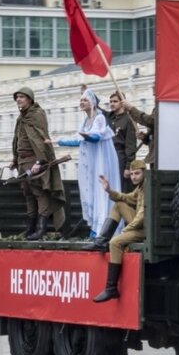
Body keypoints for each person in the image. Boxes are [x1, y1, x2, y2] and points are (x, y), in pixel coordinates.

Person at [51, 86, 119, 238]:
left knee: (101, 191)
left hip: (101, 161)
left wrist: (86, 136)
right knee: (91, 191)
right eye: (81, 100)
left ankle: (104, 228)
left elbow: (95, 138)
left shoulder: (100, 118)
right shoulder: (84, 121)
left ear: (92, 102)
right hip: (90, 162)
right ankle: (95, 226)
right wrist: (58, 142)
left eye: (85, 100)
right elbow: (78, 141)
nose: (82, 102)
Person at [11, 86, 66, 240]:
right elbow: (18, 139)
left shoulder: (37, 115)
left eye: (22, 97)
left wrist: (39, 161)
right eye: (17, 97)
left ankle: (41, 229)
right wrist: (15, 159)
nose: (18, 100)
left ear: (29, 99)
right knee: (28, 194)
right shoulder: (21, 117)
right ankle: (30, 228)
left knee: (39, 193)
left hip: (33, 160)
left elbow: (41, 140)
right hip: (23, 161)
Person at [89, 161, 148, 302]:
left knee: (115, 242)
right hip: (139, 226)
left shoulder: (147, 187)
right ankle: (102, 240)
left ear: (145, 172)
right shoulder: (140, 187)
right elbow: (127, 199)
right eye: (132, 174)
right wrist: (109, 190)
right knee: (119, 205)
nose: (133, 177)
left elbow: (142, 216)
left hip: (144, 230)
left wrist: (127, 229)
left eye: (137, 173)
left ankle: (111, 288)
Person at [106, 91, 138, 190]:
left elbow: (131, 145)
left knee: (121, 188)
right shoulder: (109, 117)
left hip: (120, 157)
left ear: (122, 103)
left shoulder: (129, 120)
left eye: (115, 101)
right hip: (108, 155)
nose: (112, 104)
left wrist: (128, 167)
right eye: (110, 101)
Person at [120, 95, 157, 167]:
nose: (153, 94)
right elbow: (154, 133)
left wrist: (132, 109)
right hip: (154, 156)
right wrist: (145, 137)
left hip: (159, 157)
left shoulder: (164, 106)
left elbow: (151, 121)